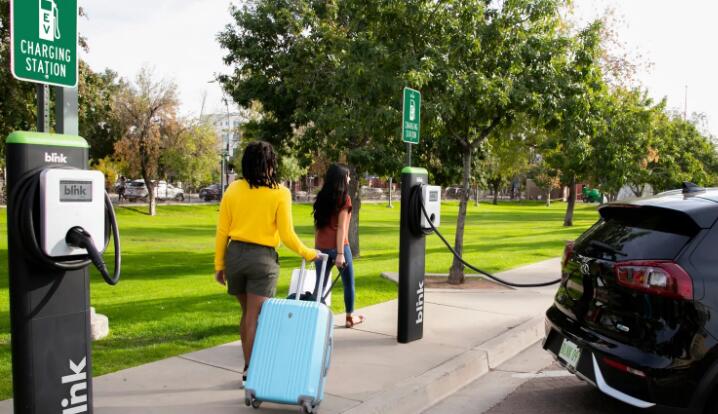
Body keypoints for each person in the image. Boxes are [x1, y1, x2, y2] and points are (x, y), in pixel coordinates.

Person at [214, 141, 318, 384]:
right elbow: (287, 235)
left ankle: (248, 368)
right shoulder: (280, 192)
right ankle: (251, 371)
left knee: (247, 315)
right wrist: (308, 253)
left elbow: (222, 231)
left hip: (235, 256)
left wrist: (220, 265)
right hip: (262, 259)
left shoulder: (233, 189)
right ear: (271, 164)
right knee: (255, 318)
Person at [313, 164, 364, 328]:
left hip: (320, 247)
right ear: (342, 179)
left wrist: (317, 247)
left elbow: (317, 226)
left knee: (320, 284)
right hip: (338, 247)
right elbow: (341, 228)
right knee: (348, 283)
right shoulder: (345, 198)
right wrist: (340, 253)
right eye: (347, 176)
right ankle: (349, 317)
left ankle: (313, 318)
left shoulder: (321, 196)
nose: (349, 179)